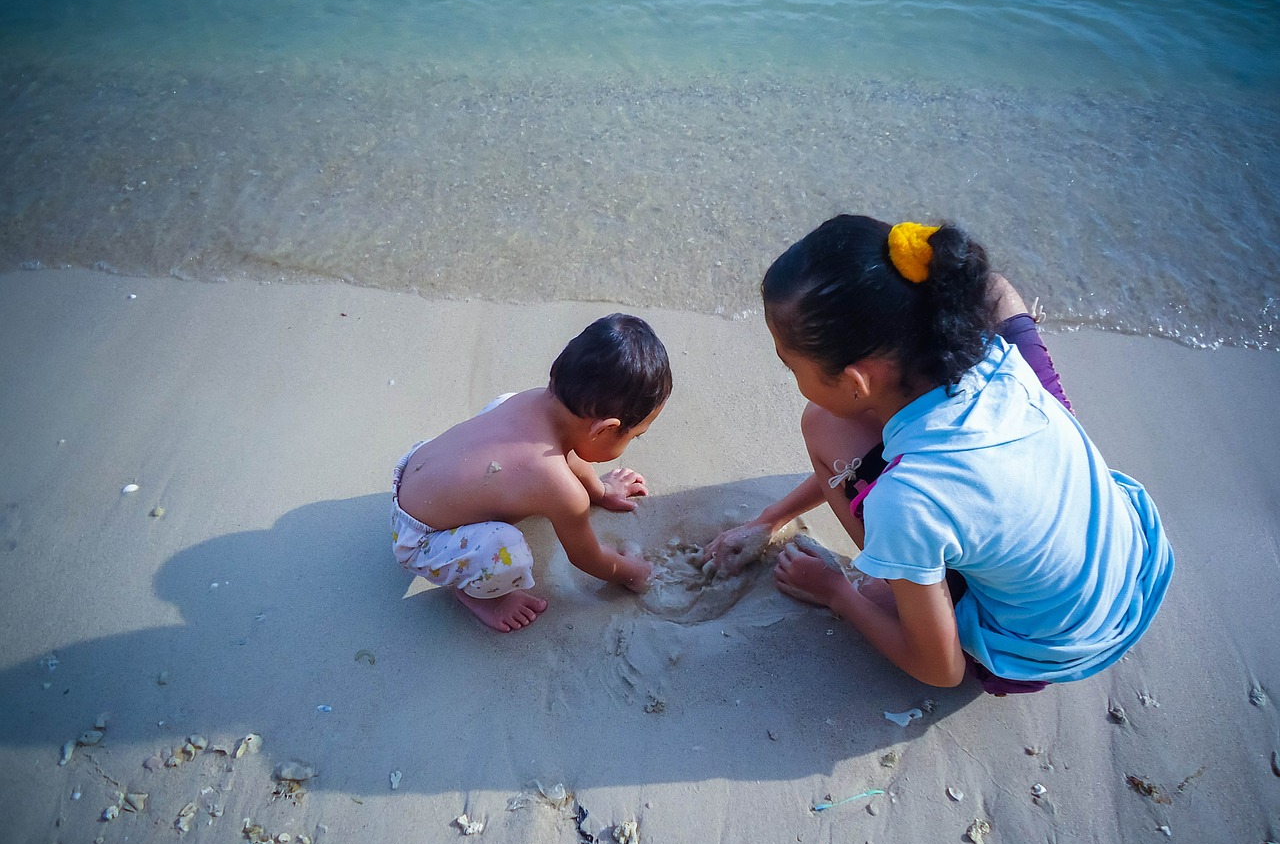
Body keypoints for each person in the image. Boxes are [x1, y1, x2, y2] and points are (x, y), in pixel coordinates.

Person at [705, 215, 1173, 692]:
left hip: (1037, 650)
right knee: (1000, 315)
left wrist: (837, 593)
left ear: (856, 381)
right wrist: (771, 518)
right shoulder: (995, 352)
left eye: (790, 365)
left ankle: (899, 587)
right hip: (1134, 566)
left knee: (825, 429)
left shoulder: (907, 500)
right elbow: (994, 289)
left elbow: (941, 670)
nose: (792, 376)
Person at [391, 313, 671, 632]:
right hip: (420, 542)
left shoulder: (534, 400)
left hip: (411, 472)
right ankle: (481, 597)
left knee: (504, 405)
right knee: (508, 551)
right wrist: (633, 573)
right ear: (606, 429)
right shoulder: (562, 490)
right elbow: (586, 556)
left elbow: (565, 452)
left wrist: (601, 492)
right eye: (634, 436)